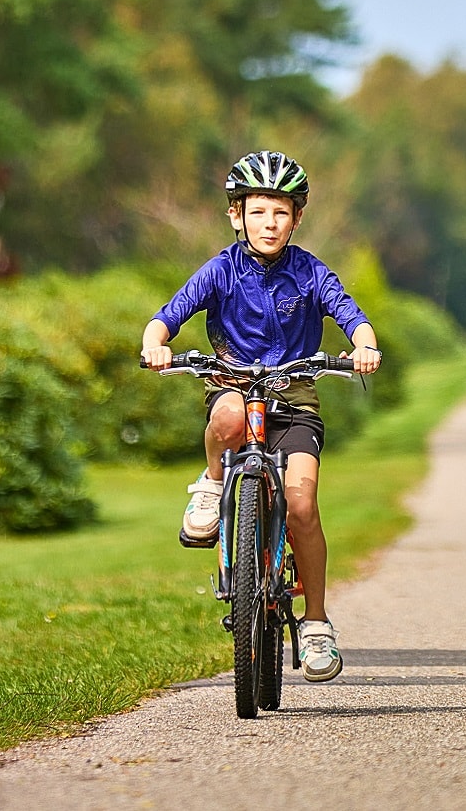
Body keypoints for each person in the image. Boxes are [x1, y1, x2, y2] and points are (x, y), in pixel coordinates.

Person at [140, 150, 381, 682]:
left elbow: (350, 314)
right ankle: (211, 483)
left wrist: (363, 345)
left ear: (297, 217)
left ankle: (316, 621)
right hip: (233, 387)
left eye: (280, 212)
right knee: (225, 420)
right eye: (258, 211)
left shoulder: (311, 271)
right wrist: (155, 344)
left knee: (301, 503)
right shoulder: (220, 270)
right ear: (236, 215)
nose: (269, 223)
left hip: (294, 399)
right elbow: (168, 316)